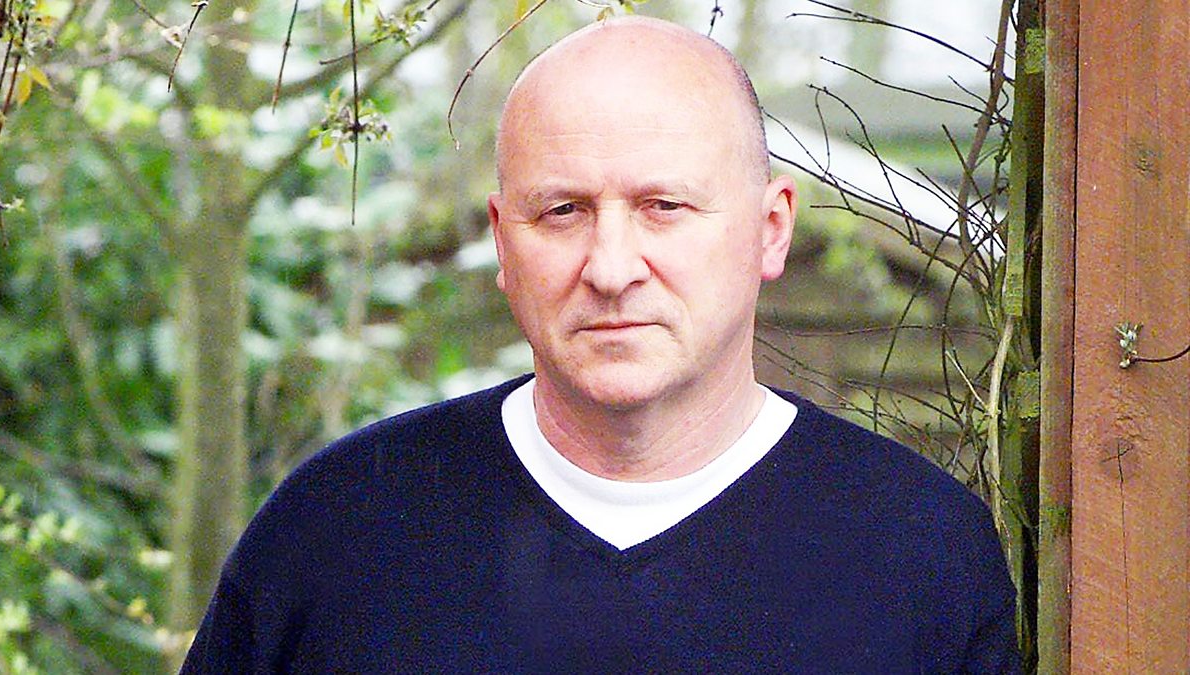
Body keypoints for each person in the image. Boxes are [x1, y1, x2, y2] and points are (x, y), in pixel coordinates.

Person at [181, 16, 1020, 673]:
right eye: (563, 212)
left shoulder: (917, 549)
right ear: (503, 243)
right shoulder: (340, 530)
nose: (612, 268)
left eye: (664, 207)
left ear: (771, 229)